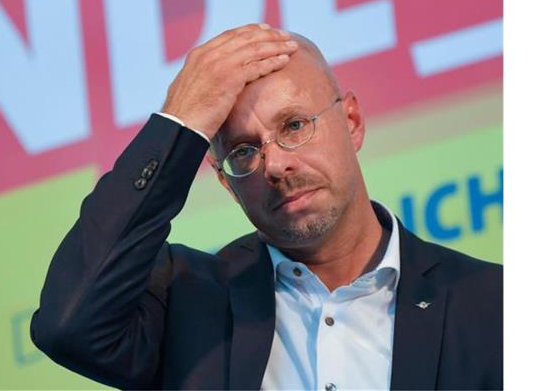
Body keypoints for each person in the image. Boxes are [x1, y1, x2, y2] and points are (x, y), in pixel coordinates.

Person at [30, 24, 503, 390]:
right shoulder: (187, 305)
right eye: (242, 151)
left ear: (353, 122)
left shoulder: (494, 304)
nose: (274, 164)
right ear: (227, 184)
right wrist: (180, 122)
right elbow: (68, 325)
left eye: (295, 125)